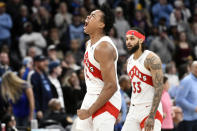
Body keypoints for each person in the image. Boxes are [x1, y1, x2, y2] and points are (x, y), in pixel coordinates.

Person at [76, 4, 121, 131]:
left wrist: (89, 111)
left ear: (101, 25)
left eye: (93, 16)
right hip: (91, 95)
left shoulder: (104, 47)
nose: (87, 17)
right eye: (89, 15)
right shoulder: (88, 44)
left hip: (107, 99)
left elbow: (111, 86)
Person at [122, 27, 163, 131]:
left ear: (141, 40)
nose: (128, 42)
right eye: (127, 39)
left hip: (149, 108)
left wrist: (152, 116)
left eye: (132, 38)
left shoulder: (151, 59)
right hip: (134, 109)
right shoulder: (129, 60)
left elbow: (159, 88)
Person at [176, 61, 197, 131]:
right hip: (186, 119)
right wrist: (194, 108)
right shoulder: (187, 80)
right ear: (191, 69)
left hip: (195, 118)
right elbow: (179, 99)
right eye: (196, 67)